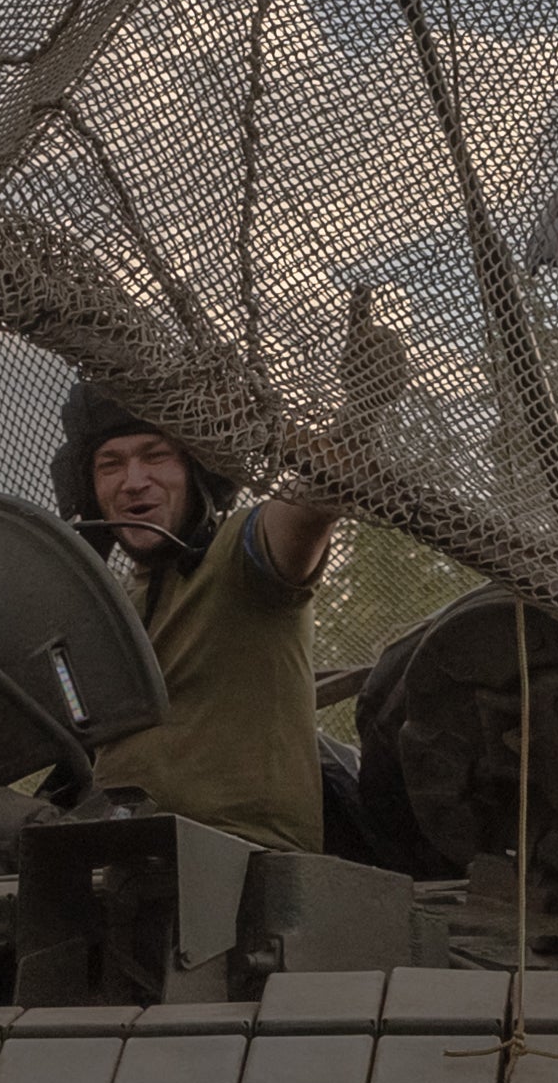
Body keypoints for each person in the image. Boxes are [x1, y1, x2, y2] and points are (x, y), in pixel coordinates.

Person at [58, 361, 365, 853]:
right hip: (117, 860)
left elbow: (327, 488)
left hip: (248, 865)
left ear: (194, 469)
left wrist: (361, 410)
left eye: (155, 455)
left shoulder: (240, 560)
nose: (133, 481)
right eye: (109, 465)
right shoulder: (107, 611)